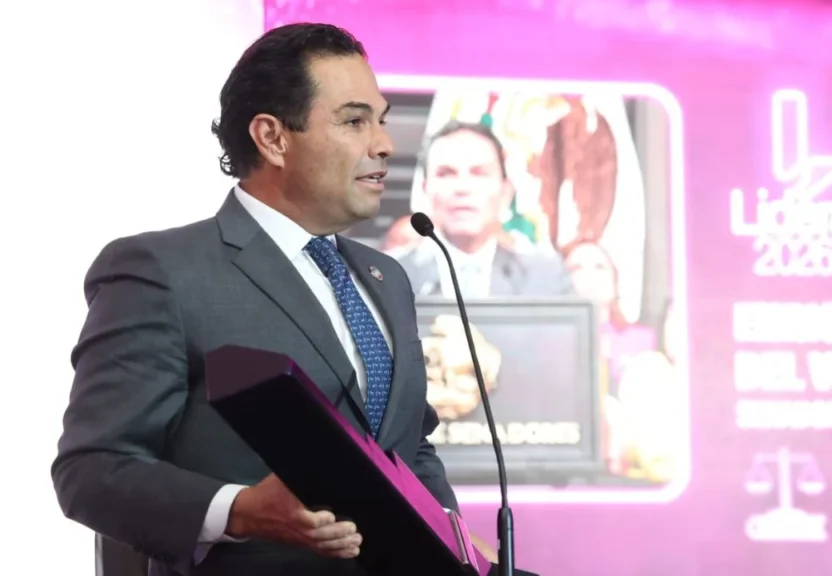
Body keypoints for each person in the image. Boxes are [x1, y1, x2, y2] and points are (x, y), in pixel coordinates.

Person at [51, 23, 493, 576]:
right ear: (272, 138)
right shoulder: (162, 271)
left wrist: (457, 546)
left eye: (380, 120)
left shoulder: (387, 277)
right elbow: (91, 471)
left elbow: (409, 447)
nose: (384, 144)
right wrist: (240, 511)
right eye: (354, 121)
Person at [397, 121, 574, 299]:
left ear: (505, 192)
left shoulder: (546, 278)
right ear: (424, 190)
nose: (462, 188)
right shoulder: (390, 277)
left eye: (479, 173)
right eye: (446, 173)